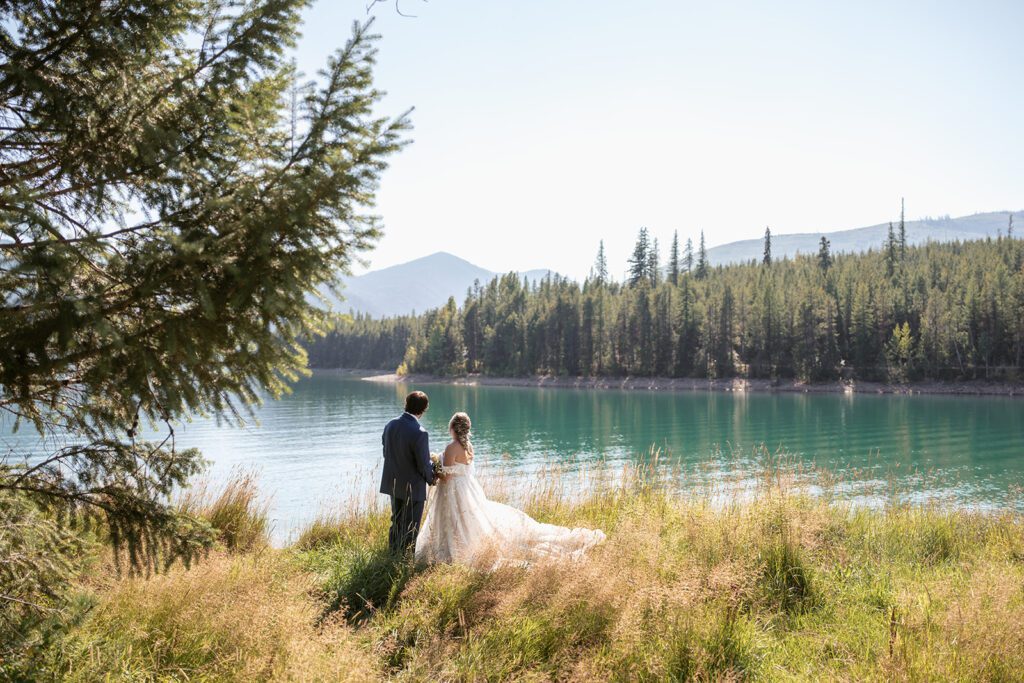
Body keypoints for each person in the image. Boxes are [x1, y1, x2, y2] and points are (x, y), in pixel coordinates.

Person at [415, 411, 605, 568]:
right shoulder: (469, 446)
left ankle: (452, 552)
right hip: (468, 489)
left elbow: (447, 476)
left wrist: (435, 467)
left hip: (453, 492)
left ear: (452, 428)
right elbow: (461, 470)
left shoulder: (450, 448)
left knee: (454, 520)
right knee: (468, 519)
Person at [380, 390, 438, 555]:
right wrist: (432, 478)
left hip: (393, 483)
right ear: (423, 409)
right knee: (411, 526)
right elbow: (423, 464)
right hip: (413, 487)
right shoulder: (420, 432)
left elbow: (386, 452)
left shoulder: (390, 424)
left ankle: (392, 555)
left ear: (406, 403)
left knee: (396, 521)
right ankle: (405, 560)